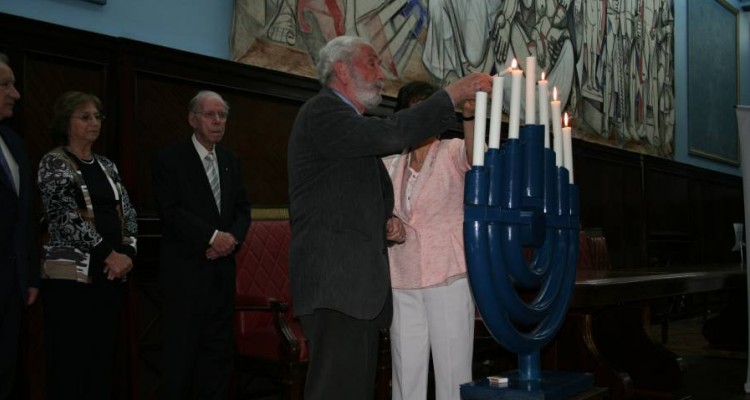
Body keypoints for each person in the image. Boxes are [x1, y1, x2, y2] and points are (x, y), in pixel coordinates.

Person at [287, 35, 491, 400]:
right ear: (341, 71)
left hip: (357, 292)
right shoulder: (323, 112)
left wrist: (387, 224)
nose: (382, 73)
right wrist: (453, 93)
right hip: (337, 287)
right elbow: (392, 132)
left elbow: (347, 197)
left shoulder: (352, 133)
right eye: (372, 62)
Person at [38, 91, 137, 399]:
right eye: (85, 116)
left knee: (101, 361)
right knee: (70, 364)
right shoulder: (54, 162)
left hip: (109, 277)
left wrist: (128, 253)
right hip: (71, 281)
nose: (94, 122)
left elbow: (128, 212)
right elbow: (63, 217)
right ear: (65, 123)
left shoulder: (107, 165)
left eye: (97, 116)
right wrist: (108, 254)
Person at [153, 90, 251, 399]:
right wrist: (212, 237)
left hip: (221, 273)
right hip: (185, 272)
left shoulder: (230, 160)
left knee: (217, 357)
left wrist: (231, 239)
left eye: (222, 115)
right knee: (181, 357)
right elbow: (170, 211)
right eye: (211, 114)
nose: (218, 121)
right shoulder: (169, 159)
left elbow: (242, 209)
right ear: (193, 119)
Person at [382, 81, 477, 400]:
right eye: (414, 113)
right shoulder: (389, 163)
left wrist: (471, 118)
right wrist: (389, 224)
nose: (421, 120)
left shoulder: (452, 150)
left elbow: (477, 158)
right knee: (405, 374)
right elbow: (378, 208)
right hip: (401, 276)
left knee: (453, 372)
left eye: (427, 112)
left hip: (447, 275)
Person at [0, 52, 39, 400]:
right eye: (5, 85)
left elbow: (25, 215)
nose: (16, 93)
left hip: (12, 286)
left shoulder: (13, 143)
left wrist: (29, 276)